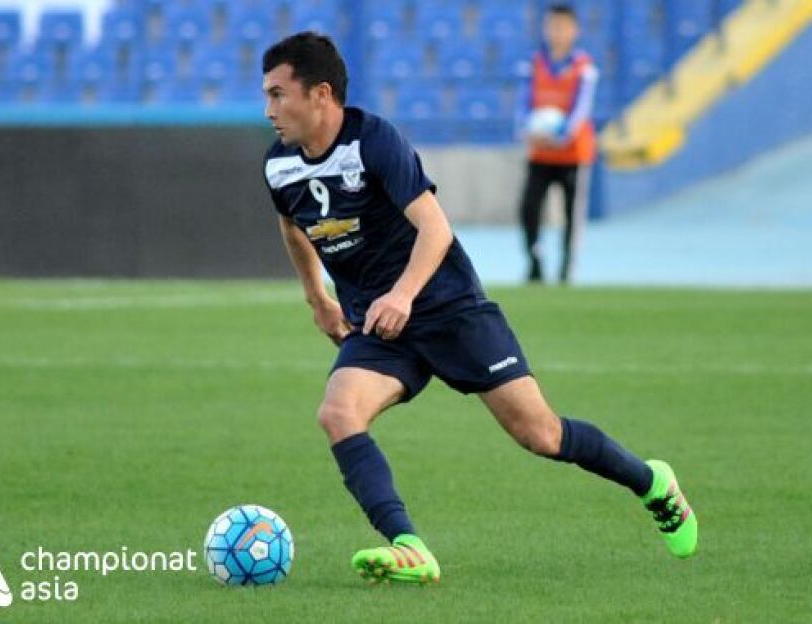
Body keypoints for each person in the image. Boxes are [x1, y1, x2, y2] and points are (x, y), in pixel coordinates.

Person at [261, 32, 696, 585]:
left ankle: (653, 484)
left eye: (278, 94)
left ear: (321, 94)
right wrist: (317, 298)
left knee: (541, 435)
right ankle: (409, 546)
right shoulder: (279, 166)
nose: (269, 109)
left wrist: (403, 294)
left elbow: (435, 229)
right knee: (338, 413)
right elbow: (293, 225)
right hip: (380, 324)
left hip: (448, 308)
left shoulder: (373, 142)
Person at [518, 3, 599, 284]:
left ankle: (566, 269)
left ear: (575, 31)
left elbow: (581, 110)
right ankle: (534, 262)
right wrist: (527, 130)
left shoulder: (584, 68)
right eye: (553, 26)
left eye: (563, 26)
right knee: (529, 209)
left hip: (573, 155)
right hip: (540, 153)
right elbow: (523, 104)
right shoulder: (533, 64)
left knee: (571, 215)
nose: (557, 32)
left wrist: (561, 135)